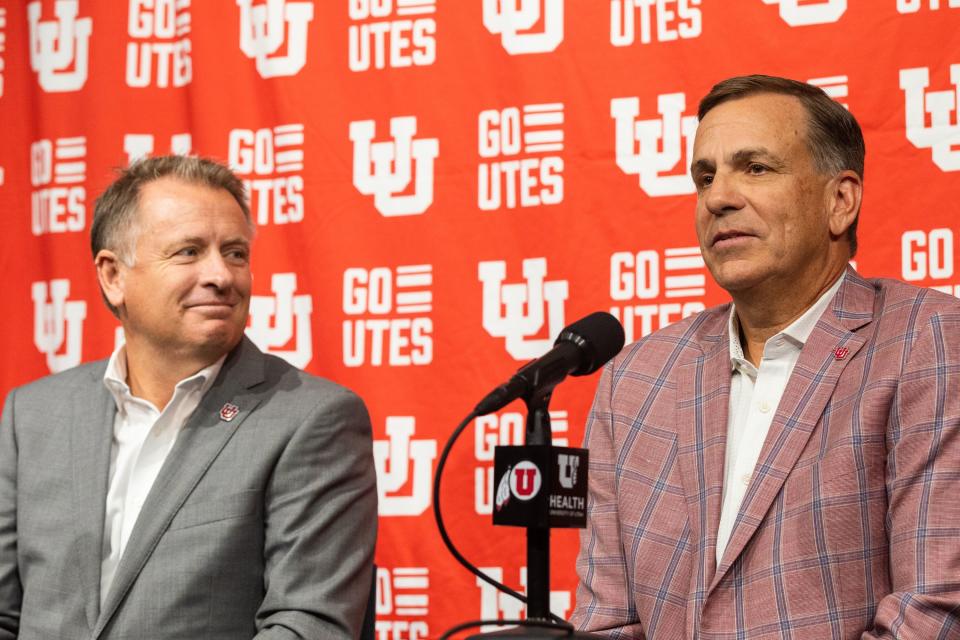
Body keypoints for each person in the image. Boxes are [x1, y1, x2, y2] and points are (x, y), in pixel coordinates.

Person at [572, 75, 960, 638]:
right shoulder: (635, 378)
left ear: (840, 200)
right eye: (705, 176)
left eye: (755, 168)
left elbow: (936, 611)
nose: (718, 196)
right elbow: (606, 621)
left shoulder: (927, 340)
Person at [0, 156, 378, 639]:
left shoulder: (312, 418)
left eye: (236, 253)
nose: (222, 275)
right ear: (113, 276)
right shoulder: (34, 415)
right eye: (189, 252)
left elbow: (308, 625)